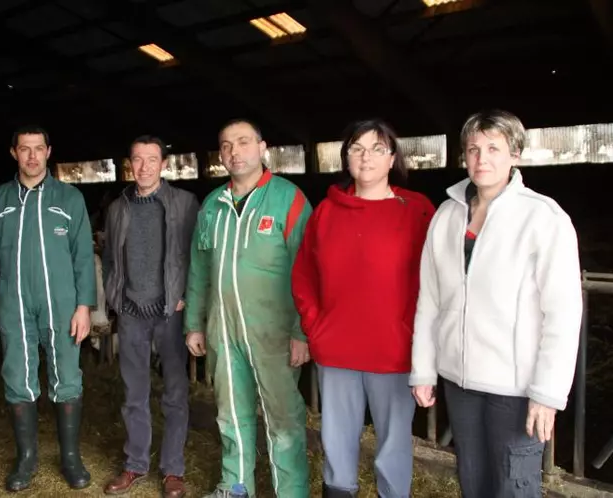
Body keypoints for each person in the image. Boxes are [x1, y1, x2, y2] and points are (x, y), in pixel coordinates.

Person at [410, 109, 583, 498]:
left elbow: (563, 311)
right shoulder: (446, 215)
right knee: (473, 481)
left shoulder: (543, 217)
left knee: (511, 485)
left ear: (515, 155)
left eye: (493, 148)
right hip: (460, 380)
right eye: (473, 149)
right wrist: (423, 368)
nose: (481, 158)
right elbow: (431, 299)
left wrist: (547, 392)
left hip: (516, 386)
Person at [291, 119, 435, 498]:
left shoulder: (416, 211)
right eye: (357, 148)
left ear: (392, 159)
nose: (366, 157)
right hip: (337, 349)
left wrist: (414, 334)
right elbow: (304, 274)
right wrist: (315, 327)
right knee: (336, 439)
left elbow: (435, 279)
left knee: (393, 442)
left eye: (377, 149)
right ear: (346, 159)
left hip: (393, 350)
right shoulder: (326, 211)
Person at [184, 118, 313, 498]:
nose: (234, 151)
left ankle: (291, 491)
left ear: (262, 147)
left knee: (283, 418)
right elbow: (198, 270)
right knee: (230, 414)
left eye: (243, 142)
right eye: (226, 145)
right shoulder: (212, 206)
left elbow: (308, 270)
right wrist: (194, 323)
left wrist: (301, 332)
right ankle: (235, 486)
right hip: (224, 330)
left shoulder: (288, 199)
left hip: (273, 332)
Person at [0, 124, 97, 492]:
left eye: (37, 148)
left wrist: (84, 306)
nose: (31, 155)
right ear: (14, 153)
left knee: (67, 377)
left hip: (62, 305)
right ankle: (26, 459)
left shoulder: (70, 199)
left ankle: (70, 459)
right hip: (13, 305)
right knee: (17, 377)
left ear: (48, 151)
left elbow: (84, 258)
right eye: (24, 149)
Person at [101, 135, 200, 498]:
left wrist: (186, 296)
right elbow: (111, 258)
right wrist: (116, 297)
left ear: (164, 164)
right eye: (137, 159)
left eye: (151, 159)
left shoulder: (185, 204)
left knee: (175, 392)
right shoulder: (117, 208)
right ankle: (135, 464)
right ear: (130, 164)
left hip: (169, 313)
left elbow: (198, 255)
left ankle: (173, 470)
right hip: (131, 312)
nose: (144, 167)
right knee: (134, 393)